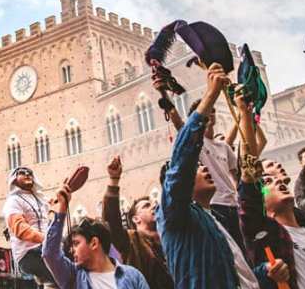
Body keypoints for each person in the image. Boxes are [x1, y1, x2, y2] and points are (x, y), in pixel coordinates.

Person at [157, 62, 259, 289]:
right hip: (219, 204)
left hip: (231, 207)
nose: (204, 169)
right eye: (197, 168)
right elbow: (183, 146)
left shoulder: (214, 222)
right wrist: (210, 94)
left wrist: (266, 273)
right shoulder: (179, 214)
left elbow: (236, 267)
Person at [236, 92, 305, 289]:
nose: (277, 182)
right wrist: (245, 115)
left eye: (277, 180)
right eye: (267, 182)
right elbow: (249, 172)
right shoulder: (265, 235)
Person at [42, 179, 149, 289]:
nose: (71, 249)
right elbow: (49, 253)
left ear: (94, 243)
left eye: (76, 243)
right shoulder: (73, 276)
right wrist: (62, 208)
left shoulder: (133, 276)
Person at [102, 155, 173, 289]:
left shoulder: (168, 237)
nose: (153, 206)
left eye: (153, 203)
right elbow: (111, 222)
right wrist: (114, 180)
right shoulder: (130, 240)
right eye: (146, 206)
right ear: (136, 219)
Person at [185, 97, 243, 249]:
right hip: (215, 204)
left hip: (234, 204)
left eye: (213, 111)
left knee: (242, 247)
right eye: (206, 110)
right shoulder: (196, 144)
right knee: (227, 248)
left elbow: (236, 176)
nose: (210, 114)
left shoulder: (224, 147)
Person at [3, 166, 53, 284]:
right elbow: (20, 229)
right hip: (29, 253)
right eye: (22, 173)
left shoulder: (40, 199)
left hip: (45, 248)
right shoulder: (13, 201)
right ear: (14, 179)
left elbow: (54, 204)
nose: (27, 174)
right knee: (62, 275)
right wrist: (47, 239)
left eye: (30, 172)